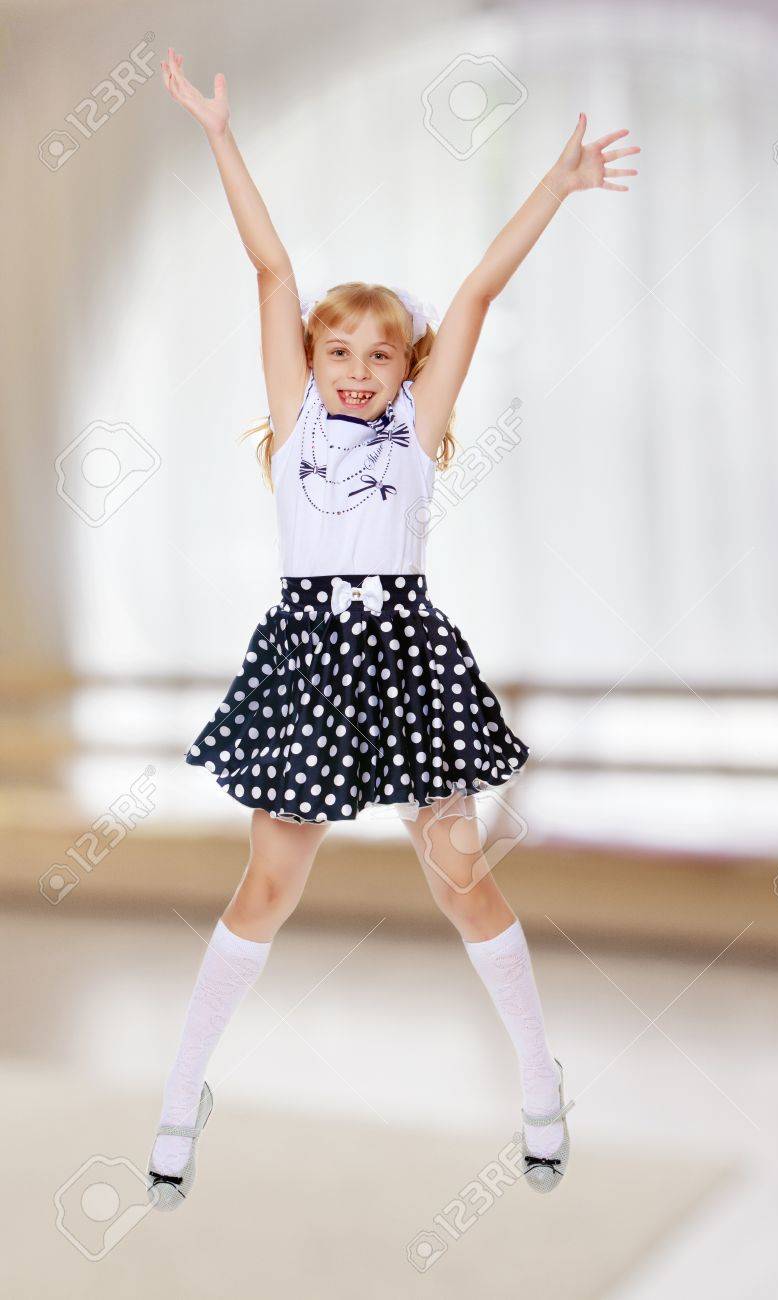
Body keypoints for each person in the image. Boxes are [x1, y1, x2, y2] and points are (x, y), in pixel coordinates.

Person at [146, 46, 640, 1210]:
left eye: (381, 357)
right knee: (268, 886)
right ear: (309, 364)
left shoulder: (413, 440)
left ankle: (537, 1079)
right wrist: (221, 134)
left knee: (462, 875)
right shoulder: (294, 434)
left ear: (407, 373)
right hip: (312, 661)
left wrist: (557, 187)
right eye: (339, 354)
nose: (360, 372)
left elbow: (473, 293)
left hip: (406, 657)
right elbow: (270, 267)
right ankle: (180, 1092)